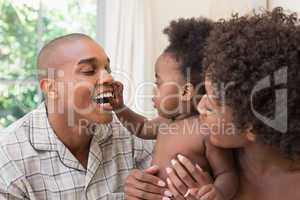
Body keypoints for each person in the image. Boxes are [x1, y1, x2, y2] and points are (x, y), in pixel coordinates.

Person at [0, 33, 170, 199]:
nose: (109, 77)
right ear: (51, 89)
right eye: (89, 71)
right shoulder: (8, 157)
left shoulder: (130, 135)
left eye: (107, 69)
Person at [166, 7, 300, 200]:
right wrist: (139, 185)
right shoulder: (208, 160)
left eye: (211, 105)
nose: (200, 107)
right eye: (204, 92)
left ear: (250, 126)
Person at [111, 18, 238, 200]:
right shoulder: (166, 122)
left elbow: (227, 174)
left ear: (186, 91)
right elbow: (141, 127)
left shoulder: (206, 130)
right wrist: (120, 108)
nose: (154, 89)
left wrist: (217, 192)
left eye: (158, 82)